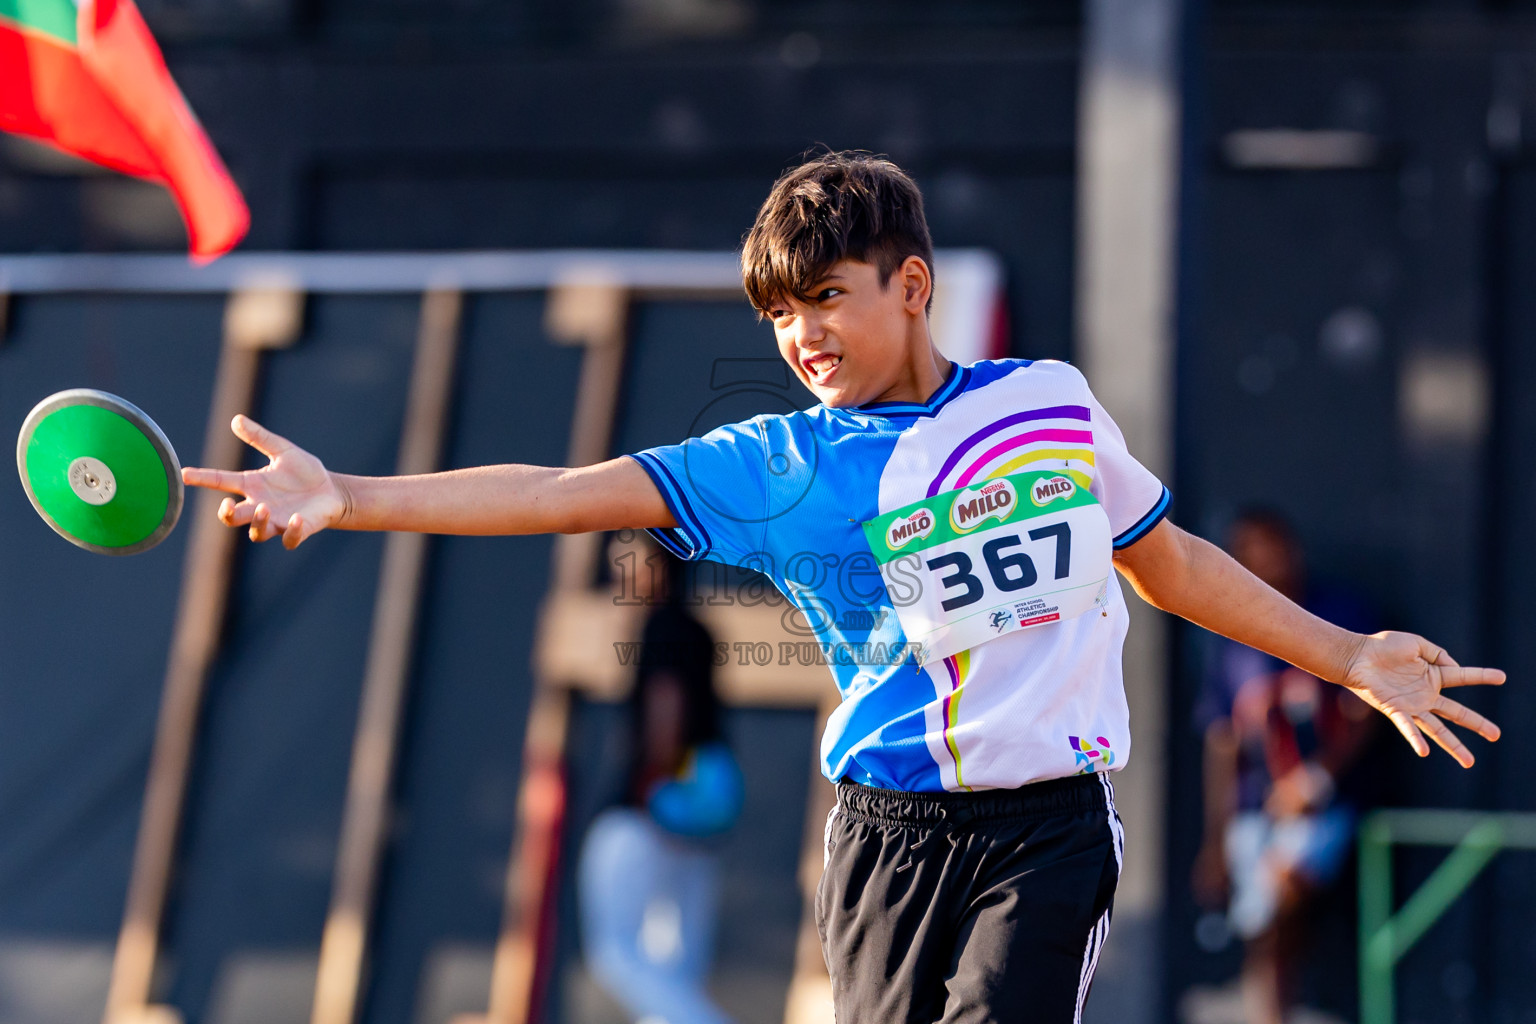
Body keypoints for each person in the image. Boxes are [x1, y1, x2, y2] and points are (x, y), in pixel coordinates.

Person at [182, 151, 1504, 1024]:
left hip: (1046, 828)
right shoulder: (777, 463)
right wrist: (349, 495)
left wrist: (1343, 656)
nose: (801, 331)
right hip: (881, 836)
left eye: (826, 295)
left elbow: (1166, 564)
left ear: (911, 286)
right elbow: (554, 489)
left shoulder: (1048, 408)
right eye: (778, 314)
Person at [1192, 511, 1378, 1024]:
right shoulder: (1229, 633)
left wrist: (1315, 778)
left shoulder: (1339, 612)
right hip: (1254, 808)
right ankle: (1269, 1011)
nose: (1263, 560)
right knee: (1264, 926)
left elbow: (1365, 713)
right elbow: (1223, 741)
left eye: (1270, 545)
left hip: (1324, 807)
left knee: (1279, 901)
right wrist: (1215, 838)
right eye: (1247, 550)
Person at [577, 533, 743, 1024]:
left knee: (616, 956)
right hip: (694, 824)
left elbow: (666, 705)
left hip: (647, 815)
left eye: (628, 561)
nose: (620, 573)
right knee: (676, 975)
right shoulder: (700, 630)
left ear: (658, 565)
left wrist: (653, 787)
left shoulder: (661, 625)